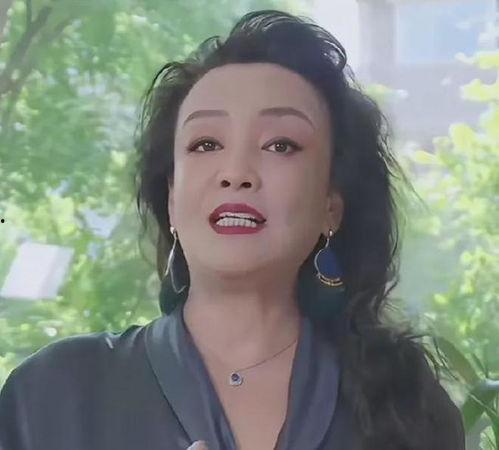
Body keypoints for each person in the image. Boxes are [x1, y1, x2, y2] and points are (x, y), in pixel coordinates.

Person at [0, 9, 465, 450]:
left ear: (331, 207)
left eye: (280, 145)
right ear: (172, 199)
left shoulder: (408, 405)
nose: (236, 172)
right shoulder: (51, 395)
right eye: (205, 144)